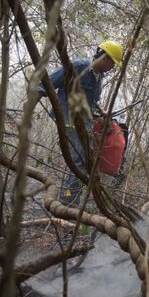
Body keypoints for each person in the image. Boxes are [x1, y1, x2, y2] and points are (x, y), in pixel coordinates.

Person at [38, 40, 123, 206]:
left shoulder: (100, 77)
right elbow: (47, 82)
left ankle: (71, 195)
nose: (113, 68)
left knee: (85, 158)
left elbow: (92, 100)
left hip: (85, 122)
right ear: (105, 58)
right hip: (68, 118)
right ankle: (68, 199)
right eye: (113, 62)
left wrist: (101, 110)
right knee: (80, 159)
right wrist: (32, 100)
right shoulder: (77, 66)